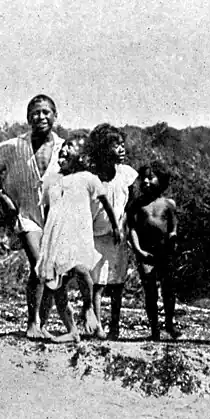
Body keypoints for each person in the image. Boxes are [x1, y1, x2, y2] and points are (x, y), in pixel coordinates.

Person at [0, 94, 70, 339]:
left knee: (52, 269)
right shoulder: (15, 145)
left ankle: (41, 323)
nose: (40, 117)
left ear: (55, 116)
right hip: (27, 215)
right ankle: (32, 323)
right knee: (39, 265)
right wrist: (1, 195)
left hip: (56, 218)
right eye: (35, 112)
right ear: (28, 117)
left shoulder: (65, 147)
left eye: (46, 112)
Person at [36, 135, 118, 343]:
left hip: (78, 235)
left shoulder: (87, 178)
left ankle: (88, 306)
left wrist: (115, 226)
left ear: (83, 157)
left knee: (81, 270)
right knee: (57, 287)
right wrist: (46, 238)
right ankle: (71, 330)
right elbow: (47, 210)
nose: (64, 149)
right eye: (63, 146)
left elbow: (105, 202)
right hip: (56, 238)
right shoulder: (52, 180)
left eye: (70, 147)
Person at [87, 124, 138, 339]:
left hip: (119, 236)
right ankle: (97, 326)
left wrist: (122, 225)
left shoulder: (126, 174)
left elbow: (131, 204)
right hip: (96, 235)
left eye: (121, 144)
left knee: (117, 283)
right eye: (115, 145)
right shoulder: (92, 177)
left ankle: (115, 327)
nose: (121, 148)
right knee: (97, 283)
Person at [127, 161, 180, 341]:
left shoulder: (168, 203)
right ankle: (154, 329)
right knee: (150, 290)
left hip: (165, 251)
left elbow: (173, 225)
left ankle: (170, 324)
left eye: (151, 177)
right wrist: (138, 250)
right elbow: (132, 229)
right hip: (146, 253)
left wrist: (173, 236)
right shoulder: (137, 205)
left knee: (168, 289)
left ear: (162, 180)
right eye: (144, 178)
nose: (147, 181)